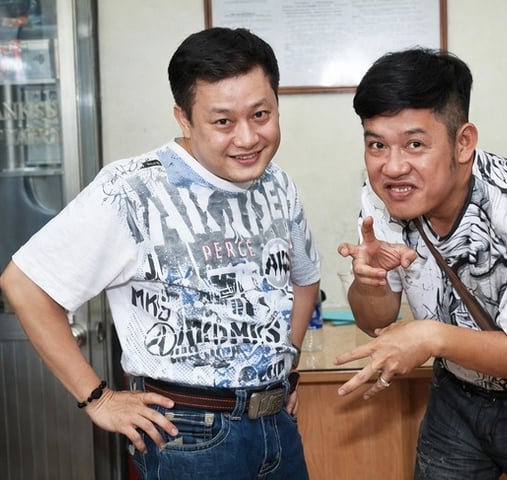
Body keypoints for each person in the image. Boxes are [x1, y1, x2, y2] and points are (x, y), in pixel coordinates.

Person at [0, 27, 320, 480]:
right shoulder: (132, 189)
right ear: (184, 119)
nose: (248, 137)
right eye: (223, 122)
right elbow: (23, 284)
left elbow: (305, 278)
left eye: (261, 114)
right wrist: (98, 399)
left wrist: (286, 362)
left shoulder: (278, 184)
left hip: (277, 423)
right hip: (191, 434)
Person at [335, 48, 507, 479]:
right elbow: (376, 321)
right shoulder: (381, 197)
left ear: (463, 142)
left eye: (415, 144)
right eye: (376, 145)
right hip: (456, 396)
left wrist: (430, 337)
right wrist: (369, 284)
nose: (392, 166)